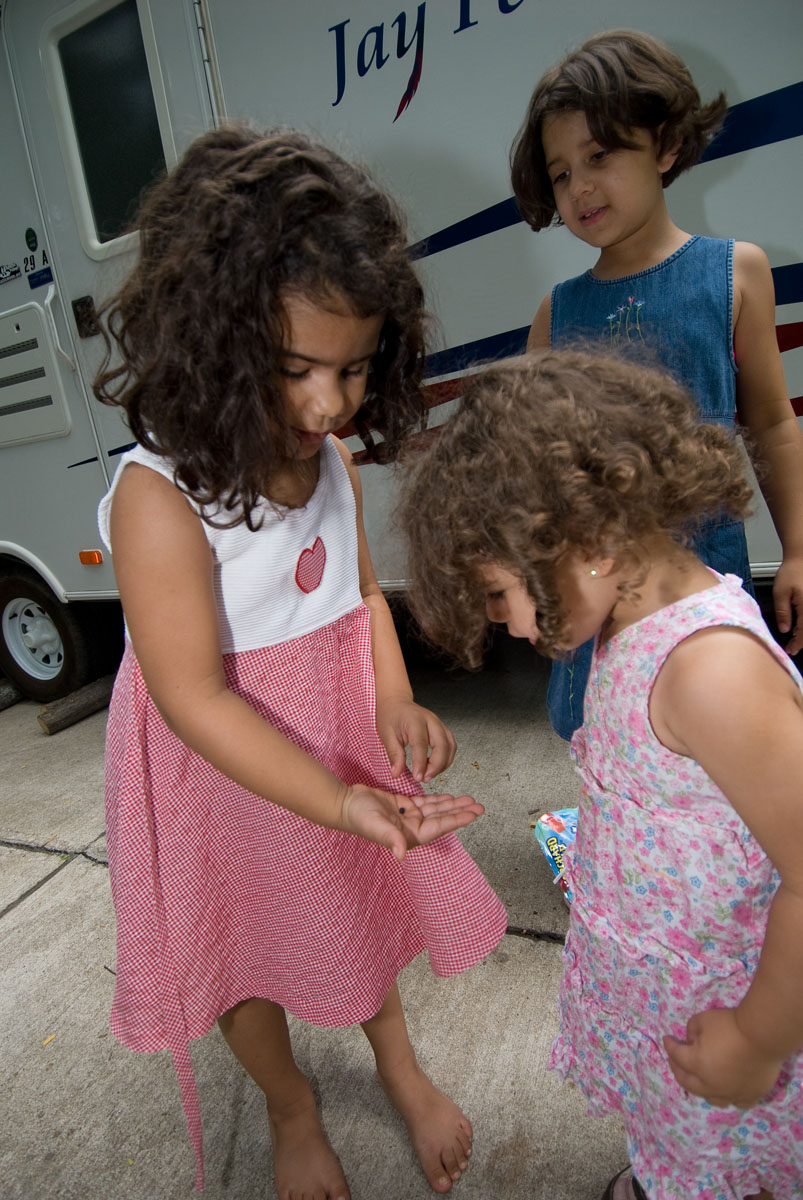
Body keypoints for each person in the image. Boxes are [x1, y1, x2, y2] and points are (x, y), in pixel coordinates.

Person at [93, 125, 507, 1199]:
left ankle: (399, 1067)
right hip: (216, 762)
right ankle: (289, 1106)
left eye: (356, 367)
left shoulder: (323, 456)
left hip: (325, 734)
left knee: (350, 910)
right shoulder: (158, 496)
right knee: (241, 945)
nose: (330, 405)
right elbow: (189, 696)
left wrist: (391, 693)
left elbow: (359, 592)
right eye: (295, 371)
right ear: (212, 341)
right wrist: (329, 797)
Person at [398, 348, 803, 1200]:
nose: (508, 629)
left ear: (584, 536)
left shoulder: (709, 673)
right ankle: (667, 1166)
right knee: (675, 1126)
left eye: (500, 596)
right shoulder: (625, 625)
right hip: (662, 978)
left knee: (732, 1158)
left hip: (735, 1001)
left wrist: (758, 1040)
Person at [509, 28, 803, 740]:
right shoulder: (558, 310)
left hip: (702, 580)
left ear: (665, 146)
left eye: (598, 156)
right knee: (605, 731)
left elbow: (768, 422)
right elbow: (519, 464)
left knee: (717, 727)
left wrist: (796, 549)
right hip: (594, 590)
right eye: (559, 173)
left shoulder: (735, 274)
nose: (579, 187)